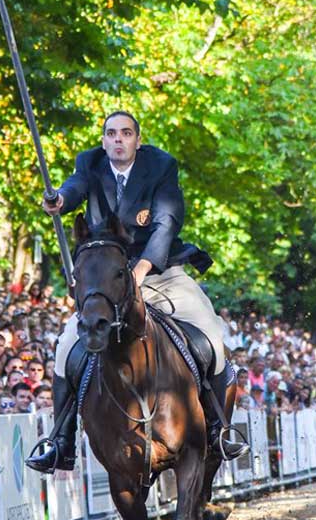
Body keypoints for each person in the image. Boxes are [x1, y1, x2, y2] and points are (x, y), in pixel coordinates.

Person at [27, 110, 248, 473]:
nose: (118, 140)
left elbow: (166, 223)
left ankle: (218, 429)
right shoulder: (90, 162)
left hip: (158, 270)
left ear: (137, 140)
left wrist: (142, 269)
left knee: (210, 330)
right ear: (103, 141)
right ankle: (61, 440)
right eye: (111, 134)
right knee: (67, 344)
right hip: (108, 279)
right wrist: (61, 201)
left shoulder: (161, 166)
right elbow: (75, 187)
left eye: (126, 133)